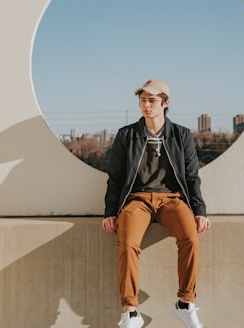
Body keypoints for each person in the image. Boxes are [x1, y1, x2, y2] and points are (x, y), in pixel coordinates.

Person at [102, 78, 211, 328]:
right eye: (142, 100)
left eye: (152, 101)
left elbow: (192, 176)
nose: (146, 105)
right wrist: (110, 212)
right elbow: (116, 178)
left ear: (165, 103)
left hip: (172, 199)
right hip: (137, 200)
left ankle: (185, 305)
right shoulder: (127, 135)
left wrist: (200, 210)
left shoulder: (181, 135)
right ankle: (130, 313)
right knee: (127, 244)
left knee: (190, 238)